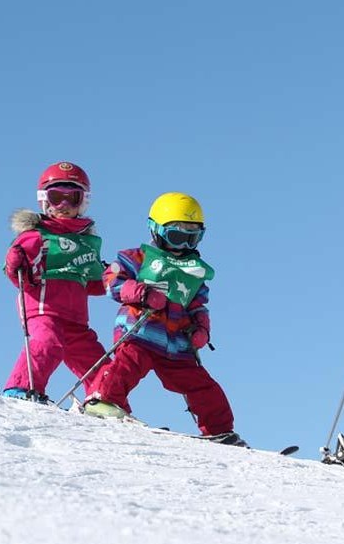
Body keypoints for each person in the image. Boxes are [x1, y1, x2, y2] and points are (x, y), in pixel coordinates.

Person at [83, 192, 247, 447]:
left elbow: (197, 303)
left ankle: (220, 430)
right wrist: (141, 292)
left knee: (203, 385)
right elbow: (111, 279)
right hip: (142, 330)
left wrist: (201, 327)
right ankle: (103, 400)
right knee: (126, 366)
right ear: (156, 230)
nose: (183, 246)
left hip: (177, 342)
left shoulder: (194, 270)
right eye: (176, 236)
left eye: (191, 238)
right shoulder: (136, 257)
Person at [2, 161, 108, 402]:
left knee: (97, 361)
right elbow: (15, 271)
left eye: (73, 198)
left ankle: (106, 401)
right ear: (44, 200)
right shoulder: (37, 235)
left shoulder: (87, 242)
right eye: (56, 196)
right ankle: (21, 388)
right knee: (47, 344)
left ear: (84, 201)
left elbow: (92, 282)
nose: (63, 205)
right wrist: (16, 259)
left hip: (76, 319)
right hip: (43, 309)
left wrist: (114, 279)